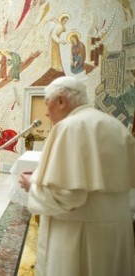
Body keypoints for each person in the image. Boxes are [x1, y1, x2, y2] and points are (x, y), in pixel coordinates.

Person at [19, 76, 135, 276]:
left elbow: (66, 195)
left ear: (62, 101)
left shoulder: (70, 127)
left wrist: (32, 185)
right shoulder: (115, 126)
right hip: (116, 234)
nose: (46, 113)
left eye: (48, 104)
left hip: (79, 239)